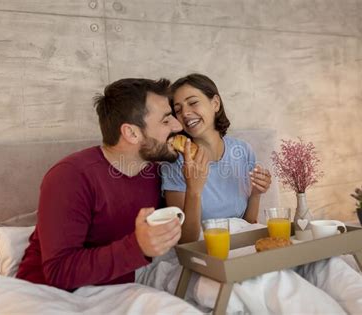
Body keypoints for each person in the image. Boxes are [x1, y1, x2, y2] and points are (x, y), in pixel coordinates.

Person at [16, 78, 184, 291]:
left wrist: (195, 187)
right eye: (166, 120)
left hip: (115, 293)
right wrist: (137, 247)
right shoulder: (70, 176)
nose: (178, 126)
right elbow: (58, 271)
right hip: (48, 297)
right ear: (132, 133)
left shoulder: (155, 175)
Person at [161, 73, 272, 242]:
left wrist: (256, 194)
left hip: (239, 245)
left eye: (193, 103)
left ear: (215, 103)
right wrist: (194, 190)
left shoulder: (242, 151)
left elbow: (247, 225)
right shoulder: (176, 162)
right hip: (202, 250)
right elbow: (185, 241)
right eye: (178, 110)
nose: (185, 113)